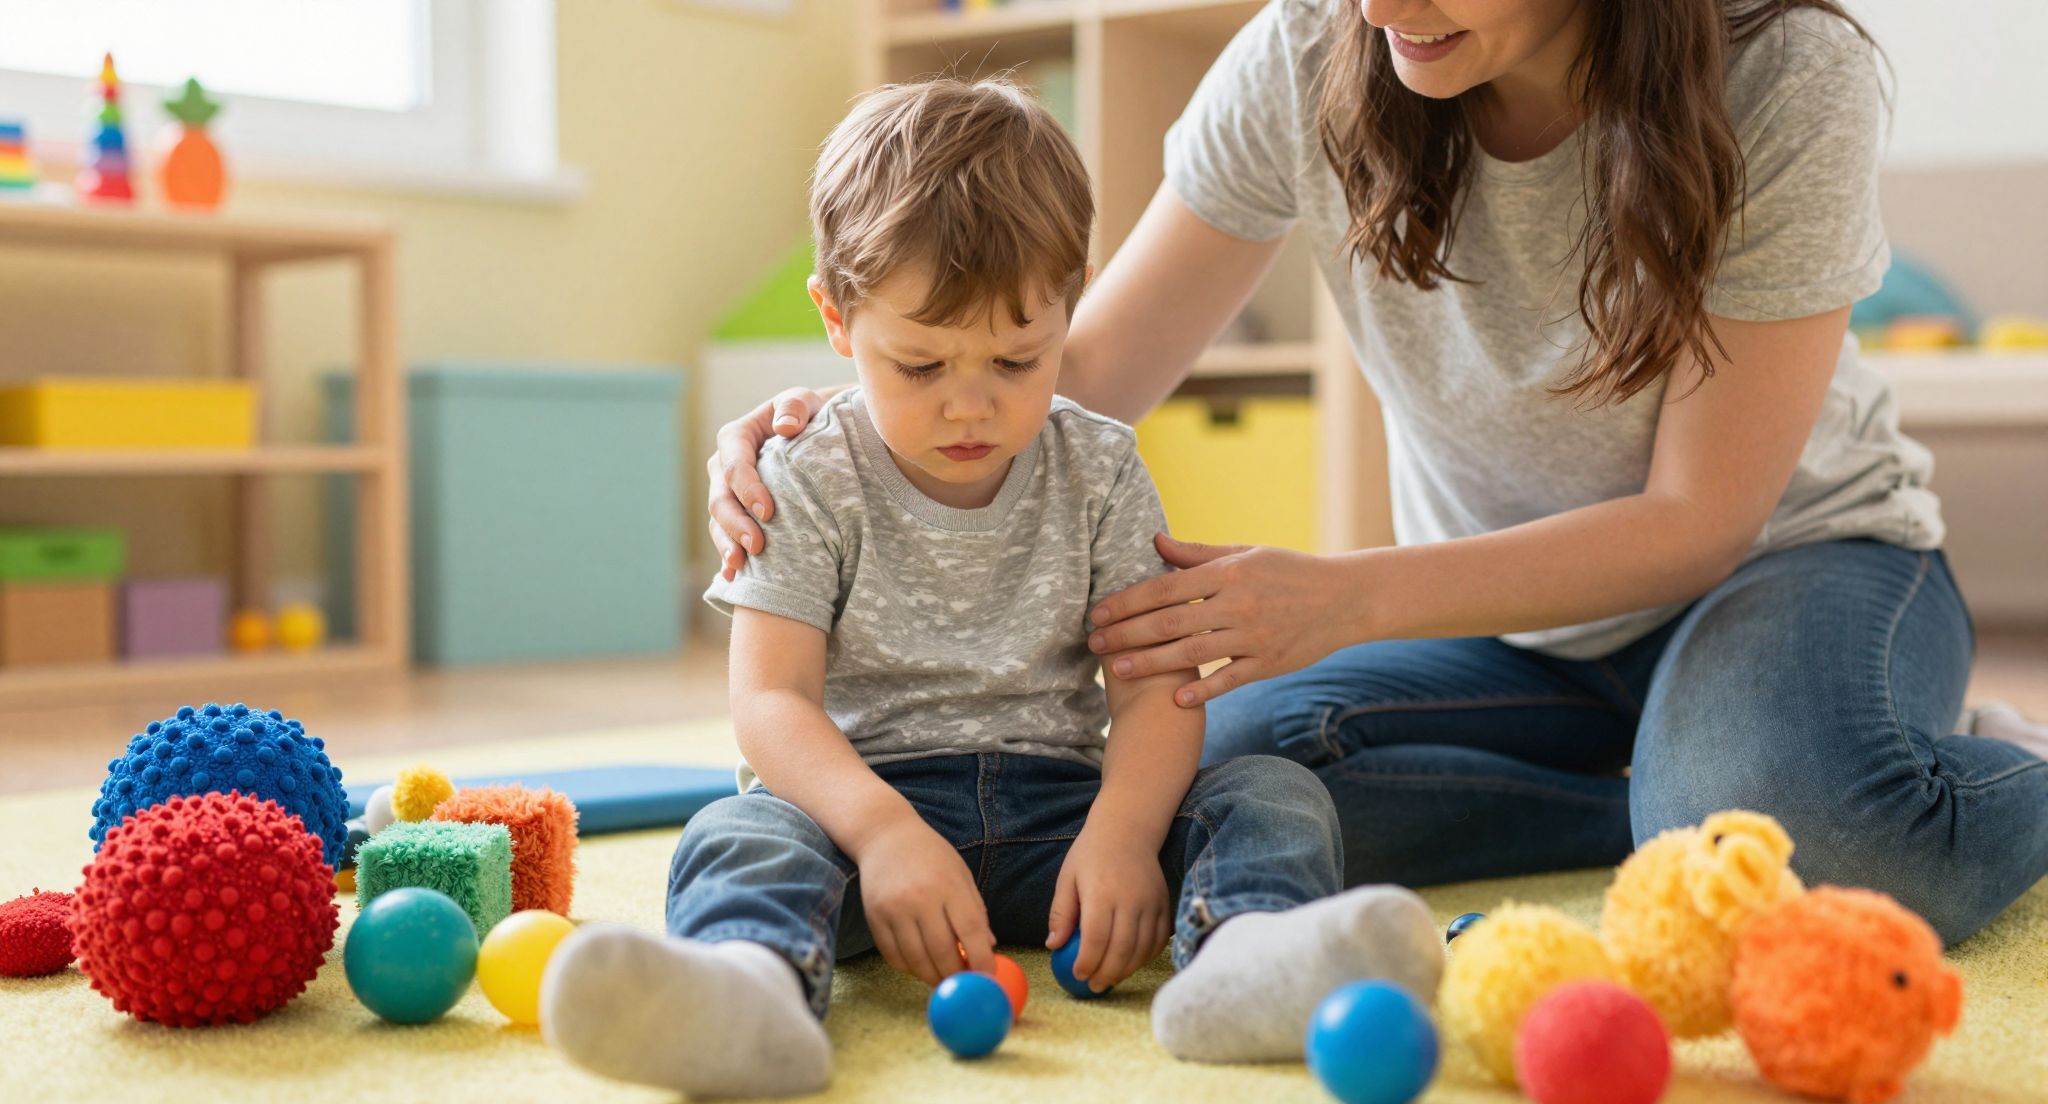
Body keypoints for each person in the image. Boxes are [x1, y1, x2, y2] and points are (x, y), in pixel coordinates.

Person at [709, 0, 2048, 946]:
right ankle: (1678, 785)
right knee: (1202, 790)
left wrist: (1342, 598)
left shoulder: (1785, 67)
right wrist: (835, 436)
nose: (1378, 4)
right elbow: (1082, 371)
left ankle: (1832, 764)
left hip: (1791, 569)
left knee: (1802, 857)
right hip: (1506, 631)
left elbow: (1697, 520)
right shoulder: (1309, 50)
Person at [542, 76, 1441, 1100]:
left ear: (1072, 301)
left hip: (1062, 816)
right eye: (919, 367)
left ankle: (1244, 963)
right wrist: (883, 833)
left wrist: (1122, 833)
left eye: (1016, 360)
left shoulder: (1101, 466)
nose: (969, 407)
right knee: (736, 831)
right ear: (836, 319)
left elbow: (1155, 683)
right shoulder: (803, 473)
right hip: (862, 817)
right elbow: (770, 702)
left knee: (1269, 793)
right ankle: (751, 993)